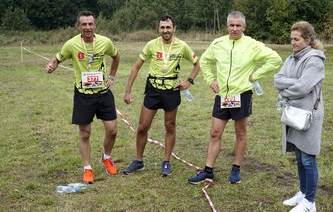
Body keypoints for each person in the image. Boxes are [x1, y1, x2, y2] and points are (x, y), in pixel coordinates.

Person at [188, 11, 282, 184]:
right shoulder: (218, 43)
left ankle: (236, 168)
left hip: (242, 94)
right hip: (223, 95)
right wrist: (210, 79)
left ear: (244, 27)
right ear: (227, 26)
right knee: (215, 132)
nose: (235, 29)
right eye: (232, 25)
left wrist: (256, 75)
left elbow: (275, 59)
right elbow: (205, 60)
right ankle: (208, 170)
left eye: (238, 25)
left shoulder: (252, 45)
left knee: (240, 132)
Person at [46, 11, 120, 184]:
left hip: (103, 93)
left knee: (112, 130)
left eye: (90, 24)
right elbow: (57, 58)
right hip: (83, 95)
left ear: (95, 25)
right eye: (84, 24)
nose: (87, 27)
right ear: (78, 26)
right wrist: (52, 65)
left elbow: (116, 57)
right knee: (85, 134)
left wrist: (111, 77)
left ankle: (106, 158)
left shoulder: (105, 42)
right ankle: (87, 169)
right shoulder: (71, 44)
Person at [123, 15, 200, 177]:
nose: (165, 30)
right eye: (162, 28)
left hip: (171, 90)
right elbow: (136, 66)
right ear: (159, 29)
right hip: (153, 89)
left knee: (170, 126)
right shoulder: (151, 45)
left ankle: (166, 162)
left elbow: (197, 63)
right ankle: (138, 161)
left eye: (168, 27)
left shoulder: (182, 46)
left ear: (174, 28)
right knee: (143, 126)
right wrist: (128, 90)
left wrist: (188, 82)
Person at [274, 21, 325, 212]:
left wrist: (285, 91)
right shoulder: (290, 58)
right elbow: (277, 80)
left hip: (309, 115)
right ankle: (303, 193)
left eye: (296, 39)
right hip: (294, 113)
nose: (293, 43)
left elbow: (304, 87)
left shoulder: (314, 60)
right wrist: (294, 83)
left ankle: (310, 202)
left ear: (308, 40)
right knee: (299, 155)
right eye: (291, 39)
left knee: (308, 158)